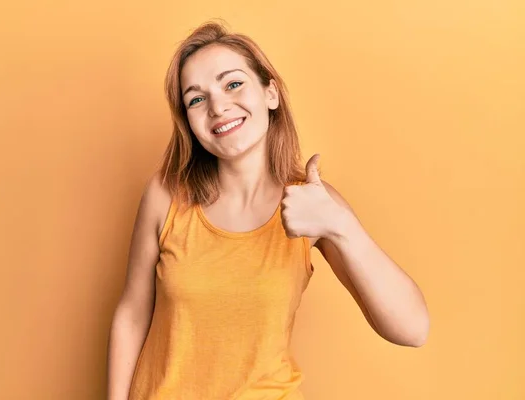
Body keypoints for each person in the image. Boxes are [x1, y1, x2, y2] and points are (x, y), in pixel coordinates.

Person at [107, 20, 430, 400]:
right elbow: (131, 315)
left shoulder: (313, 201)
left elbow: (413, 330)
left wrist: (342, 226)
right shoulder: (166, 194)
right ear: (189, 122)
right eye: (196, 98)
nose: (218, 106)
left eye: (233, 84)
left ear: (270, 93)